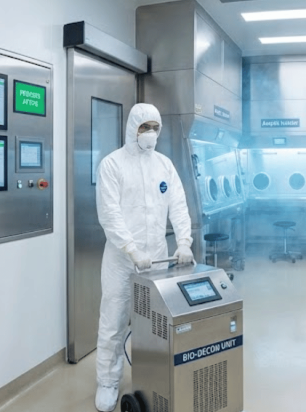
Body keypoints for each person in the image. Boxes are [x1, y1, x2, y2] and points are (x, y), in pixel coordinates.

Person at [94, 103, 195, 411]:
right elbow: (109, 214)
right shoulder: (112, 164)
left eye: (155, 127)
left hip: (158, 261)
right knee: (113, 321)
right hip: (122, 260)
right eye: (144, 127)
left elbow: (178, 205)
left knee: (155, 325)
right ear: (132, 128)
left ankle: (152, 376)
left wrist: (184, 242)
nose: (150, 133)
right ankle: (108, 382)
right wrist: (132, 249)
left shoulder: (164, 165)